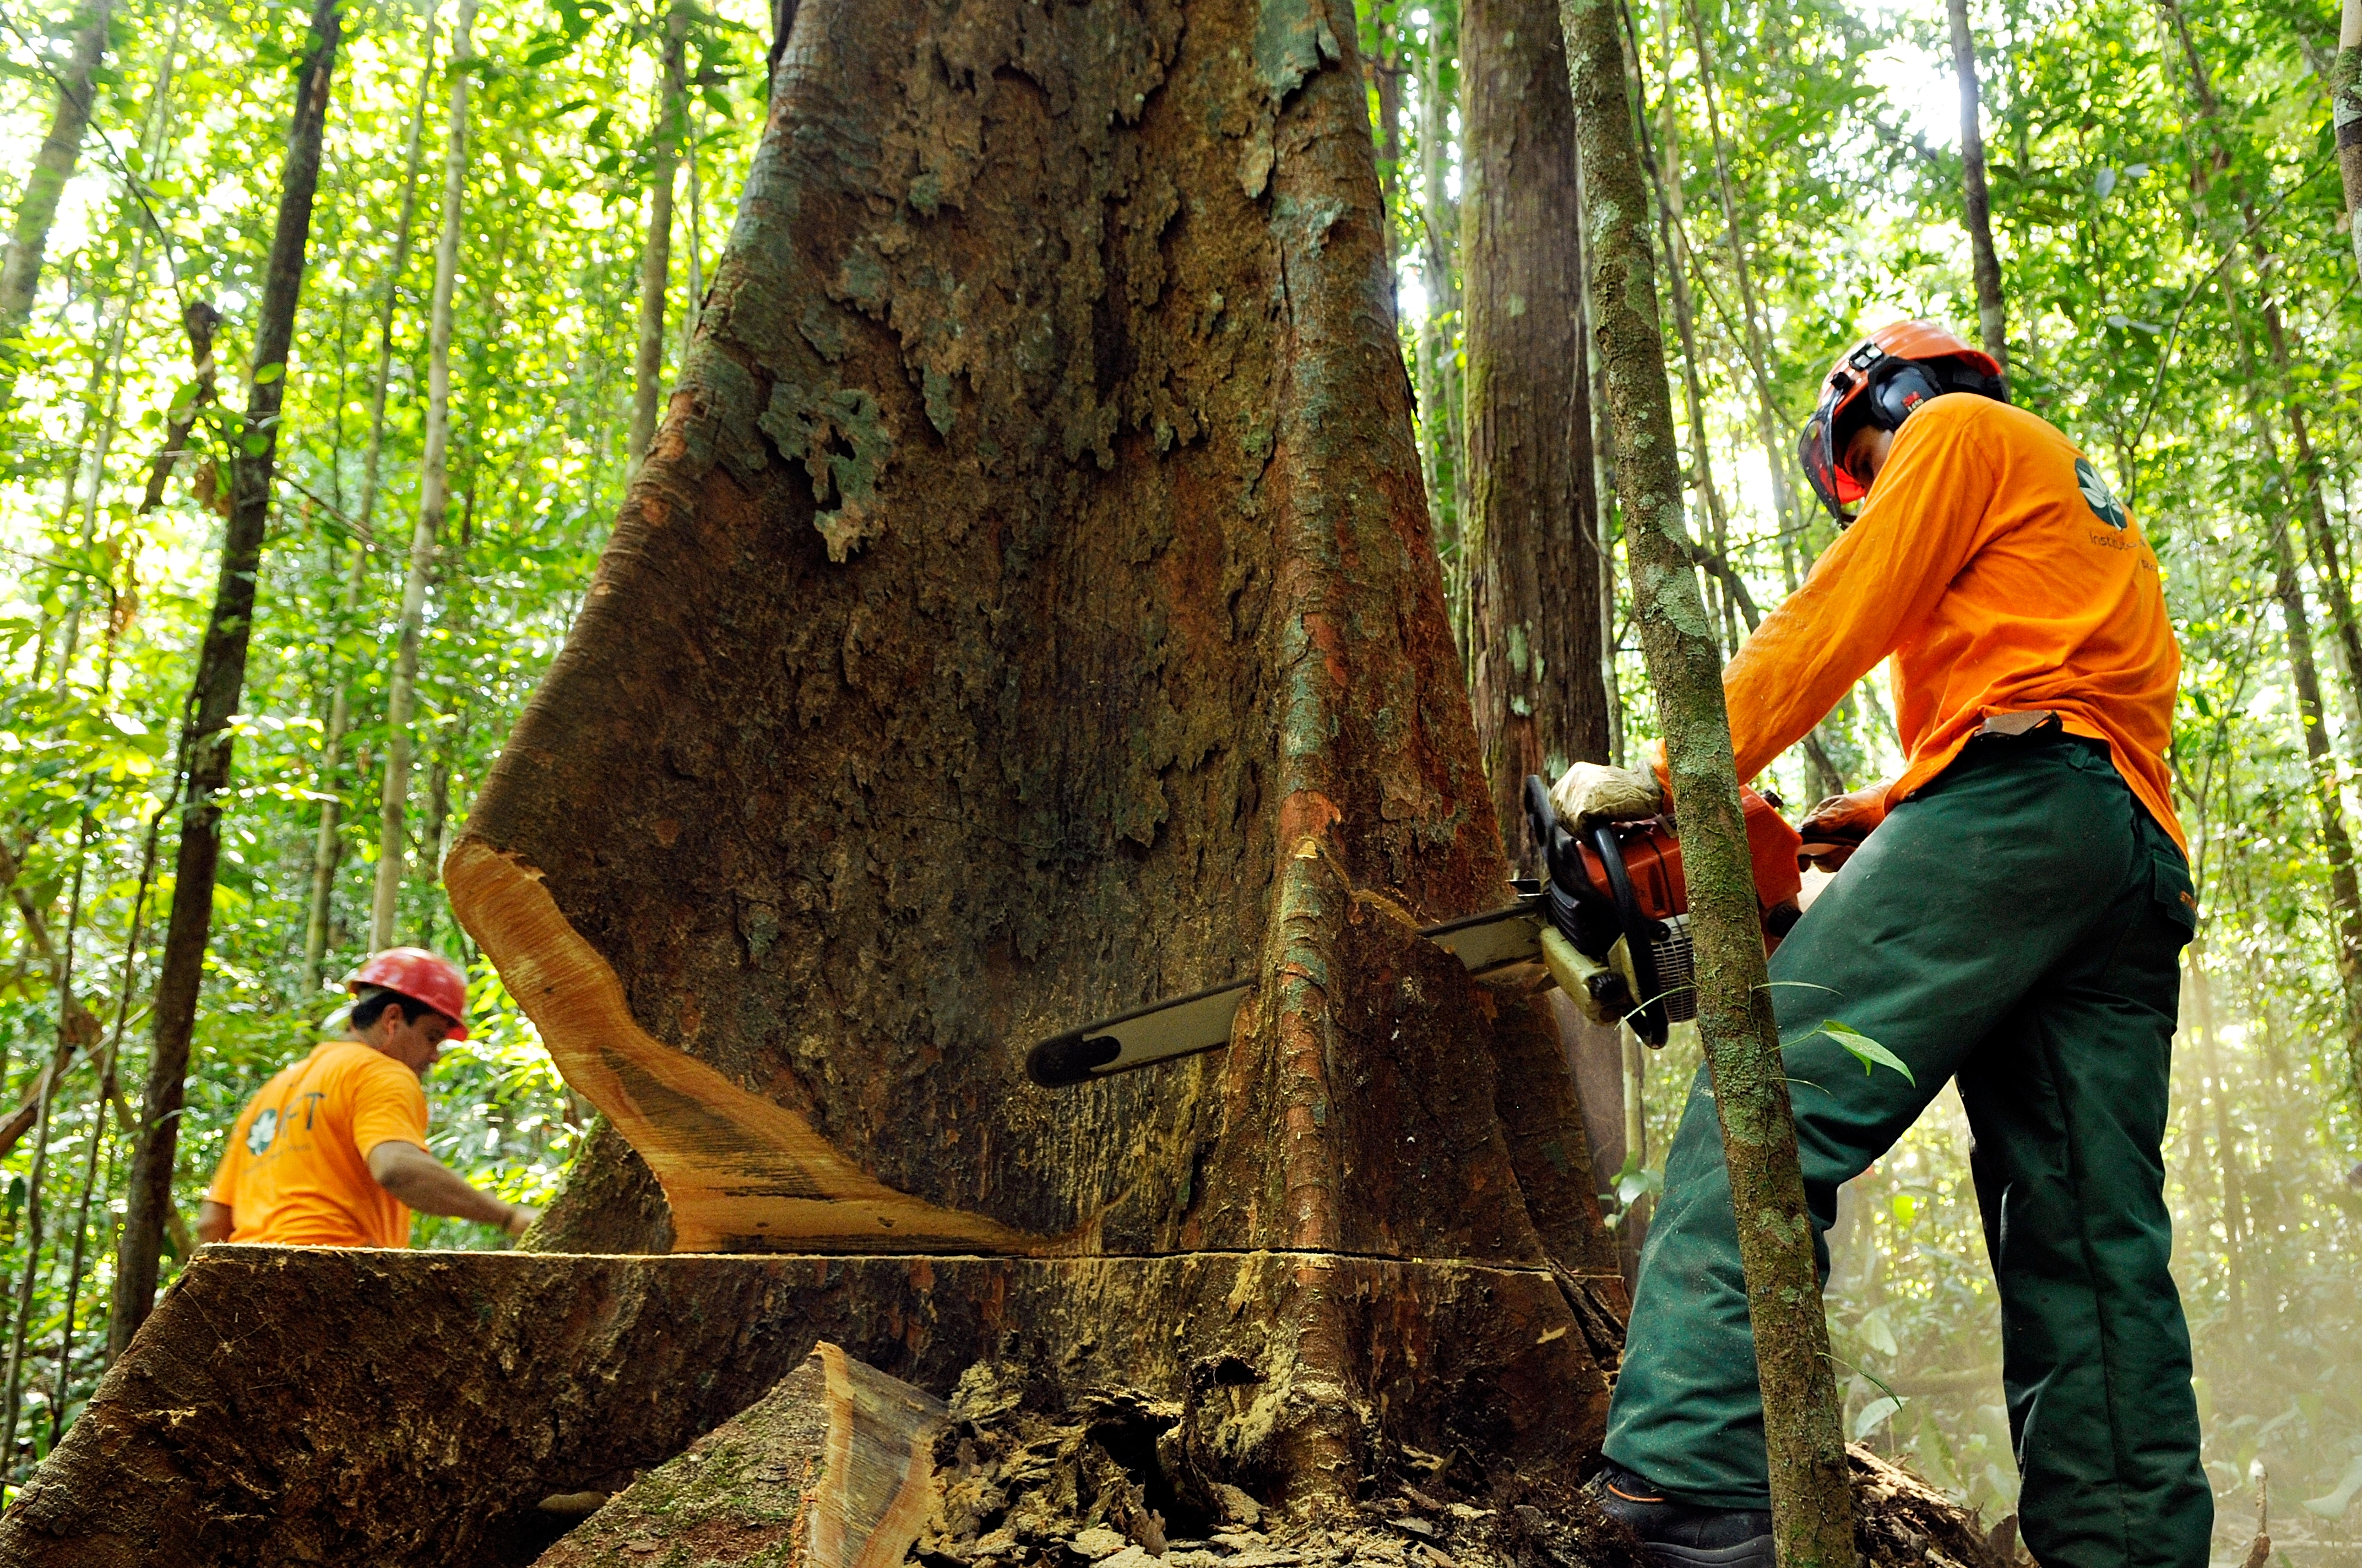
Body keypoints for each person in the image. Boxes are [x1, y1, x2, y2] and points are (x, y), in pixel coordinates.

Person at [1555, 320, 2206, 1568]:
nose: (1864, 487)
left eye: (1858, 459)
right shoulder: (2080, 500)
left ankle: (1689, 1484)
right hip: (2123, 852)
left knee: (1764, 1088)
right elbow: (2058, 697)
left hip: (2017, 806)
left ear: (1894, 394)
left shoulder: (1953, 431)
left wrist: (1676, 768)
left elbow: (1836, 614)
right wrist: (1868, 814)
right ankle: (2125, 1544)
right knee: (2085, 1233)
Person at [198, 948, 540, 1248]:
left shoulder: (271, 1092)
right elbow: (397, 1168)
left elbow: (212, 1223)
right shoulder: (382, 1073)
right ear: (392, 1019)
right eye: (432, 1037)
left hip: (247, 1272)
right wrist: (509, 1217)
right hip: (334, 1268)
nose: (435, 1056)